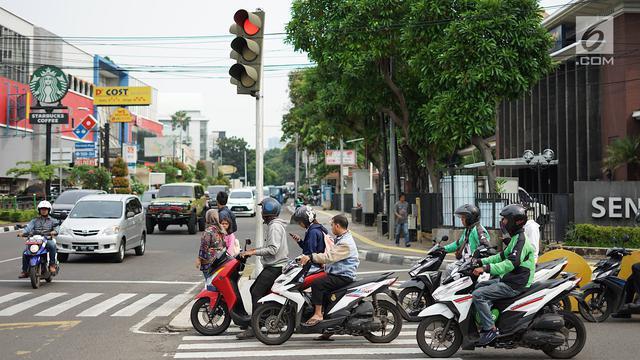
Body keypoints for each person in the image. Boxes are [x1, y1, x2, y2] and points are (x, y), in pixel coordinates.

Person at [471, 204, 535, 346]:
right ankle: (490, 316)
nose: (503, 222)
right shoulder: (515, 238)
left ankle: (490, 329)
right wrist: (481, 261)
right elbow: (501, 256)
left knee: (478, 295)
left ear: (515, 221)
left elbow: (510, 264)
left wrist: (486, 268)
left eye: (505, 219)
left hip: (515, 284)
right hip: (509, 279)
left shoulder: (521, 241)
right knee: (480, 285)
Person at [236, 197, 289, 340]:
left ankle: (255, 327)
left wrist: (252, 252)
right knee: (260, 292)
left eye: (262, 209)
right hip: (275, 266)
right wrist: (252, 250)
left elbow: (272, 249)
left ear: (267, 211)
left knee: (255, 291)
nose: (260, 212)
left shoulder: (274, 226)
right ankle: (261, 320)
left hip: (275, 267)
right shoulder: (274, 225)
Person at [299, 214, 359, 330]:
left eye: (332, 225)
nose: (331, 228)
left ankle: (318, 314)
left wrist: (311, 257)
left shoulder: (345, 242)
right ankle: (328, 329)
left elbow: (329, 257)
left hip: (342, 276)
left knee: (317, 284)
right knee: (324, 292)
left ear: (337, 226)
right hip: (336, 273)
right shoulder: (341, 238)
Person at [442, 204, 490, 279]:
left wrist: (476, 258)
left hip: (473, 264)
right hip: (465, 262)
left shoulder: (478, 230)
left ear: (470, 218)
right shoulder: (468, 230)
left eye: (463, 218)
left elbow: (485, 246)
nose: (461, 220)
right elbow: (458, 243)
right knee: (449, 269)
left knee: (451, 271)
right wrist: (443, 249)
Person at [18, 201, 60, 277]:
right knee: (25, 252)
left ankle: (52, 265)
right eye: (42, 209)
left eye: (45, 209)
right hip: (35, 239)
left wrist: (54, 231)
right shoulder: (34, 220)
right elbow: (28, 228)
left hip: (46, 239)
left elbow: (57, 228)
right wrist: (23, 233)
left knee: (52, 245)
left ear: (49, 210)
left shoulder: (53, 220)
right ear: (39, 210)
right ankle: (25, 271)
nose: (43, 211)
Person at [195, 209, 226, 281]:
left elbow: (204, 247)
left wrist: (199, 259)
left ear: (207, 218)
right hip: (220, 260)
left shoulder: (208, 231)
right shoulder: (221, 229)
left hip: (209, 261)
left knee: (210, 282)